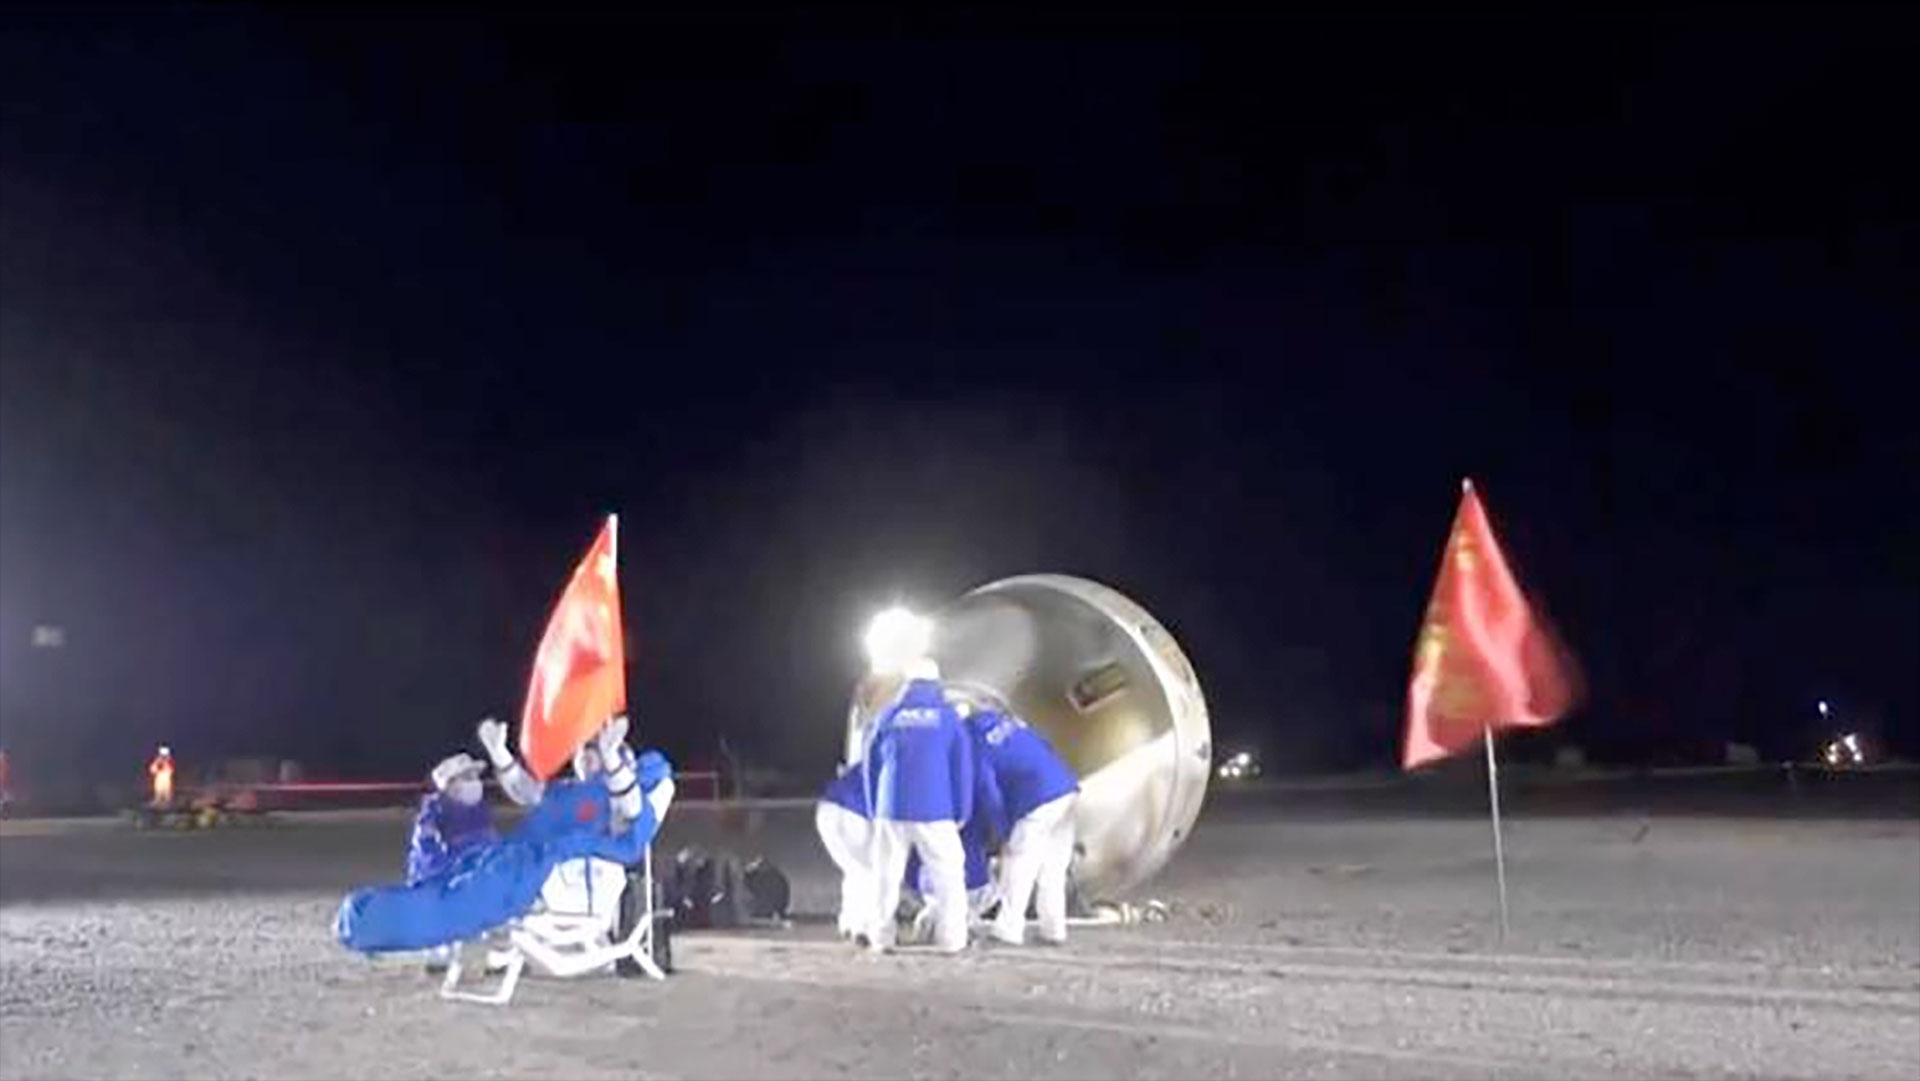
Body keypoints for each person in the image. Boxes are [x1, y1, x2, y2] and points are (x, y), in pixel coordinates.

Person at [861, 656, 974, 953]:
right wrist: (962, 809)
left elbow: (870, 766)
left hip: (890, 808)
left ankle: (880, 937)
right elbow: (962, 768)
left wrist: (875, 808)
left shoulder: (887, 715)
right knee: (948, 874)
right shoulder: (948, 717)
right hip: (935, 808)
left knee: (885, 875)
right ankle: (952, 939)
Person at [968, 706, 1080, 946]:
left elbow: (988, 793)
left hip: (1037, 799)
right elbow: (1046, 747)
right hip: (1067, 789)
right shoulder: (1014, 723)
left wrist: (1001, 832)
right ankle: (1054, 929)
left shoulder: (974, 743)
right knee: (1053, 867)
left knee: (1019, 862)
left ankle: (1008, 929)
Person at [815, 760, 875, 940]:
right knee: (873, 870)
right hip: (858, 813)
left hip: (827, 809)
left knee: (855, 870)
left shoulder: (874, 756)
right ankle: (866, 927)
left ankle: (850, 920)